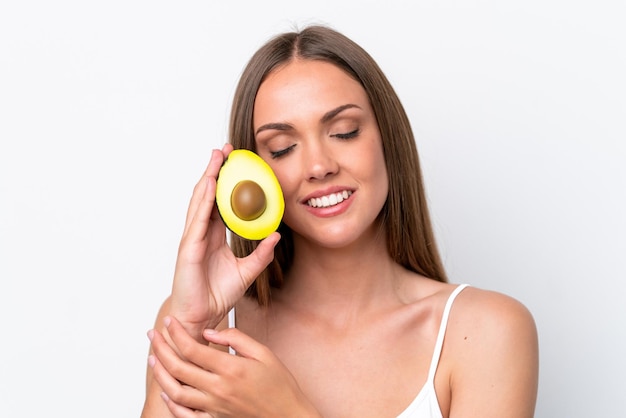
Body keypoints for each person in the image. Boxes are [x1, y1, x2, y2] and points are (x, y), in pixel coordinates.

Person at [140, 25, 539, 418]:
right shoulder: (203, 326)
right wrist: (191, 326)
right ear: (255, 175)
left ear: (387, 137)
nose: (318, 166)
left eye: (344, 132)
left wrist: (287, 412)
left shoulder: (485, 333)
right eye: (283, 148)